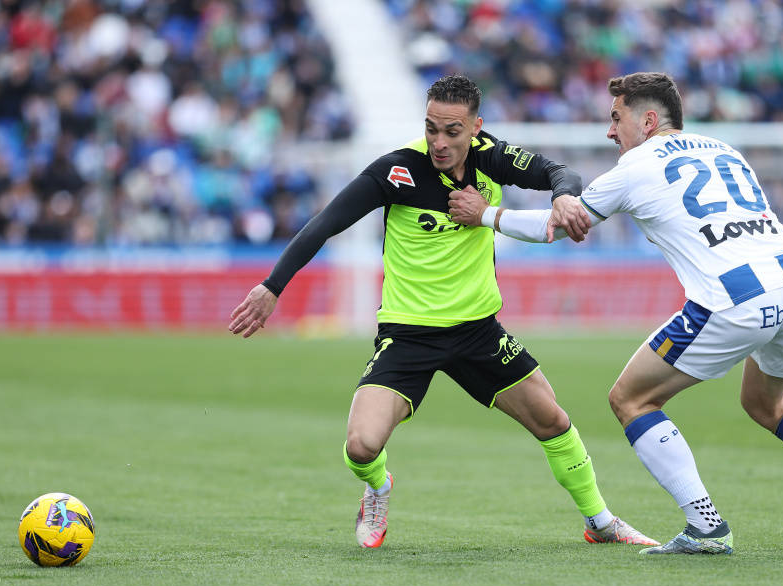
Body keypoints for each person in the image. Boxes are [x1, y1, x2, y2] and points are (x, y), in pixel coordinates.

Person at [447, 72, 783, 554]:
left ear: (648, 120)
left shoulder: (635, 167)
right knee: (767, 405)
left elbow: (556, 227)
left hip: (733, 297)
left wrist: (485, 214)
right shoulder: (725, 150)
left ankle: (706, 526)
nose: (610, 131)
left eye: (616, 118)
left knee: (631, 400)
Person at [228, 74, 657, 549]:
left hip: (478, 332)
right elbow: (324, 224)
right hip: (408, 334)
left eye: (452, 131)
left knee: (553, 422)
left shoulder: (493, 156)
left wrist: (563, 197)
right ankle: (378, 487)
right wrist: (272, 287)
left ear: (476, 128)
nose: (439, 142)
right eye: (431, 128)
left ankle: (600, 522)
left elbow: (560, 173)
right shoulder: (398, 170)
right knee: (361, 446)